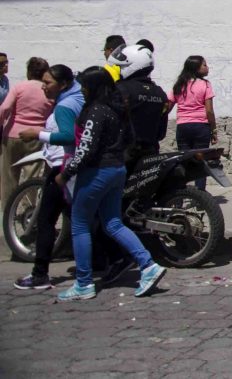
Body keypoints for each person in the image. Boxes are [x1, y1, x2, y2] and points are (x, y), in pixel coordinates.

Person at [55, 66, 167, 301]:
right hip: (117, 170)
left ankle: (83, 282)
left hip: (96, 172)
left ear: (94, 88)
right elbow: (128, 139)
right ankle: (148, 264)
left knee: (80, 225)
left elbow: (86, 147)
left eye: (85, 86)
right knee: (113, 223)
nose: (82, 90)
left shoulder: (95, 112)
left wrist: (67, 173)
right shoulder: (116, 109)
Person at [13, 64, 84, 291]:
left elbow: (66, 137)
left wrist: (38, 134)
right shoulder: (79, 98)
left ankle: (40, 273)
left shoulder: (64, 106)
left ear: (63, 84)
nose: (43, 87)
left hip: (62, 167)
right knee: (87, 220)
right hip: (76, 167)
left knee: (46, 221)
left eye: (48, 82)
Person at [0, 56, 53, 202]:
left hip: (12, 135)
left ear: (29, 72)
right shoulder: (49, 90)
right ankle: (28, 211)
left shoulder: (19, 87)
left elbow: (4, 108)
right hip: (36, 136)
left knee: (9, 177)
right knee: (31, 177)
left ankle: (7, 212)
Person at [165, 56, 217, 191]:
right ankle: (200, 195)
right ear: (196, 68)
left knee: (183, 161)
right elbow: (209, 111)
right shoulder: (205, 85)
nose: (207, 67)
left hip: (183, 126)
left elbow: (167, 107)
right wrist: (214, 130)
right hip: (201, 127)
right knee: (200, 161)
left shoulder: (179, 85)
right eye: (204, 65)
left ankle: (180, 194)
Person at [111, 44, 168, 162]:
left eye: (121, 67)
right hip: (151, 152)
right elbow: (161, 133)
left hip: (124, 154)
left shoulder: (121, 89)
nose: (120, 71)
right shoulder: (160, 93)